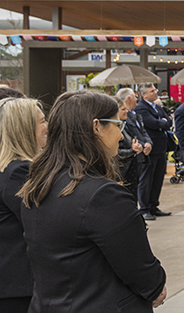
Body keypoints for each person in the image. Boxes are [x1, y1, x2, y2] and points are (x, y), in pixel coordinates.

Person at [19, 91, 167, 311]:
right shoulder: (101, 195)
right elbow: (140, 268)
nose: (120, 135)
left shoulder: (39, 184)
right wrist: (156, 288)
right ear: (96, 126)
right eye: (118, 125)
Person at [0, 97, 46, 313]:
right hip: (17, 287)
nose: (47, 127)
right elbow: (40, 223)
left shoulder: (10, 168)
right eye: (42, 121)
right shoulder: (18, 172)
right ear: (26, 129)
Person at [135, 83, 173, 220]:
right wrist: (162, 121)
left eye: (155, 90)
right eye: (152, 91)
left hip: (161, 148)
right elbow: (153, 123)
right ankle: (144, 208)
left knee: (158, 179)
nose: (155, 93)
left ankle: (153, 206)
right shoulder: (141, 108)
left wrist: (163, 121)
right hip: (149, 150)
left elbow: (168, 122)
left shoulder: (157, 107)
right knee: (147, 179)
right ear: (143, 94)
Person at [114, 96, 144, 204]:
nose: (127, 111)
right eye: (123, 109)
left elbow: (137, 137)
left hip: (131, 170)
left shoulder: (125, 124)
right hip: (120, 172)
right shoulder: (114, 129)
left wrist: (139, 146)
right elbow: (115, 153)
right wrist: (133, 151)